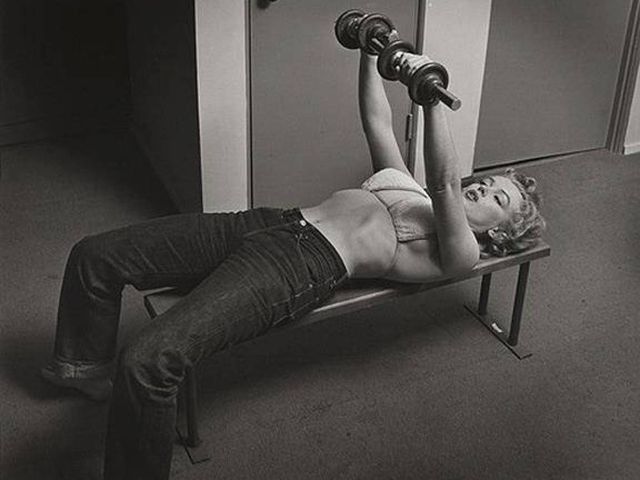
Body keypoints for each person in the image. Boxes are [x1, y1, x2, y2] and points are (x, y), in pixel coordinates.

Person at [40, 51, 545, 479]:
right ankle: (83, 367)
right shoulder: (409, 190)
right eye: (489, 182)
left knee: (149, 360)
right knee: (97, 254)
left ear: (498, 234)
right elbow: (377, 122)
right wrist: (371, 52)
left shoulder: (460, 252)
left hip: (302, 264)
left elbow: (446, 182)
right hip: (270, 221)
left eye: (497, 199)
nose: (483, 188)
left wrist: (430, 101)